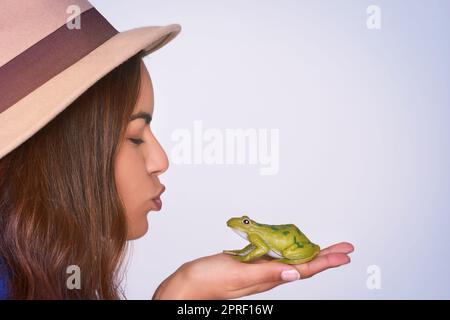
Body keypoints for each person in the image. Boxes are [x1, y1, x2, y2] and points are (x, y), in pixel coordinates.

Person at [0, 1, 354, 299]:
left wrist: (183, 289)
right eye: (135, 136)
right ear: (57, 155)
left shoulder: (41, 273)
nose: (161, 161)